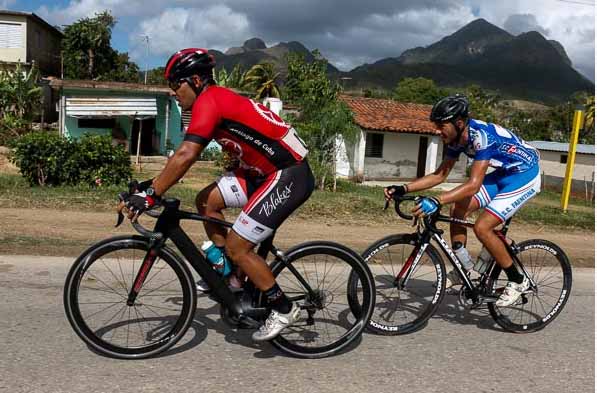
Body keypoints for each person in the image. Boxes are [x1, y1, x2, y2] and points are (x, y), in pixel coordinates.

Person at [119, 48, 315, 341]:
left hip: (288, 174)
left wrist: (151, 195)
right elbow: (182, 159)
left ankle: (283, 307)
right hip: (261, 172)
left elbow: (187, 154)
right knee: (206, 201)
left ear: (196, 80)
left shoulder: (210, 102)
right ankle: (229, 273)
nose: (174, 93)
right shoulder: (211, 101)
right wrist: (151, 185)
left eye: (176, 85)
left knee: (239, 245)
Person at [384, 95, 541, 307]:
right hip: (503, 173)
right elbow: (440, 175)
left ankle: (517, 280)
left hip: (524, 174)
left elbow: (473, 185)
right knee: (458, 207)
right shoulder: (456, 139)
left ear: (458, 123)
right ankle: (464, 266)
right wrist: (403, 188)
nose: (437, 131)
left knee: (483, 227)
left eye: (441, 126)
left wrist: (437, 200)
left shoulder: (481, 137)